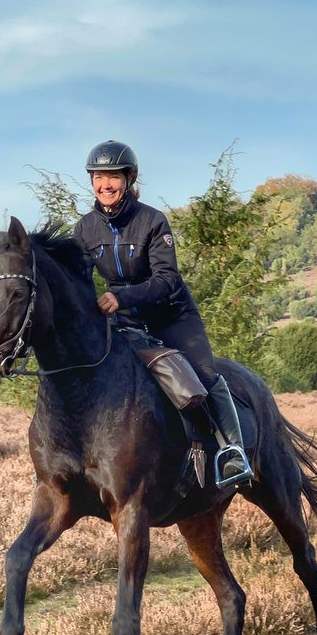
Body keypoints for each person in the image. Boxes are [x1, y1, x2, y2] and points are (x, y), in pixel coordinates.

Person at [72, 140, 253, 487]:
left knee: (205, 375)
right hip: (124, 322)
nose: (105, 184)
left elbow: (166, 280)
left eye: (113, 177)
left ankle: (233, 452)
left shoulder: (153, 221)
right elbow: (78, 280)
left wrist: (119, 297)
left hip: (172, 316)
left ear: (129, 179)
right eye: (98, 176)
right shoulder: (85, 229)